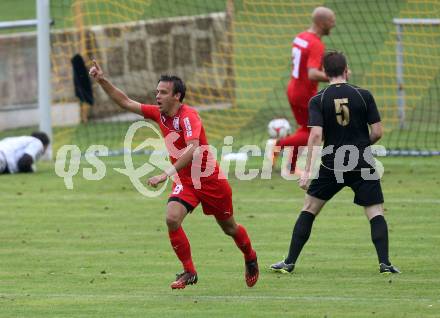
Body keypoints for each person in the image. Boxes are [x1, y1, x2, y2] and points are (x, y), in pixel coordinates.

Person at [89, 60, 259, 289]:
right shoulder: (159, 114)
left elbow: (192, 147)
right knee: (171, 218)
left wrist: (165, 174)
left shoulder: (189, 116)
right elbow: (125, 101)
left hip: (210, 180)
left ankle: (250, 256)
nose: (157, 96)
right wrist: (101, 80)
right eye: (157, 91)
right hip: (186, 181)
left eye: (163, 92)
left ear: (177, 96)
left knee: (229, 228)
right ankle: (189, 271)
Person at [270, 51, 400, 275]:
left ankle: (289, 262)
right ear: (346, 69)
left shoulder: (318, 100)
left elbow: (316, 136)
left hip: (332, 164)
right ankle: (385, 263)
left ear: (325, 72)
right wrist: (359, 144)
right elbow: (377, 132)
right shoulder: (364, 95)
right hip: (362, 162)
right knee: (375, 212)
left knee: (309, 209)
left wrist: (307, 170)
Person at [271, 6, 335, 173]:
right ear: (322, 23)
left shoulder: (301, 37)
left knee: (304, 129)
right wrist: (336, 77)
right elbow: (313, 74)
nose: (334, 25)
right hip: (305, 94)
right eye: (331, 21)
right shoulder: (316, 44)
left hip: (293, 88)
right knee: (316, 132)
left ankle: (291, 167)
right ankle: (279, 145)